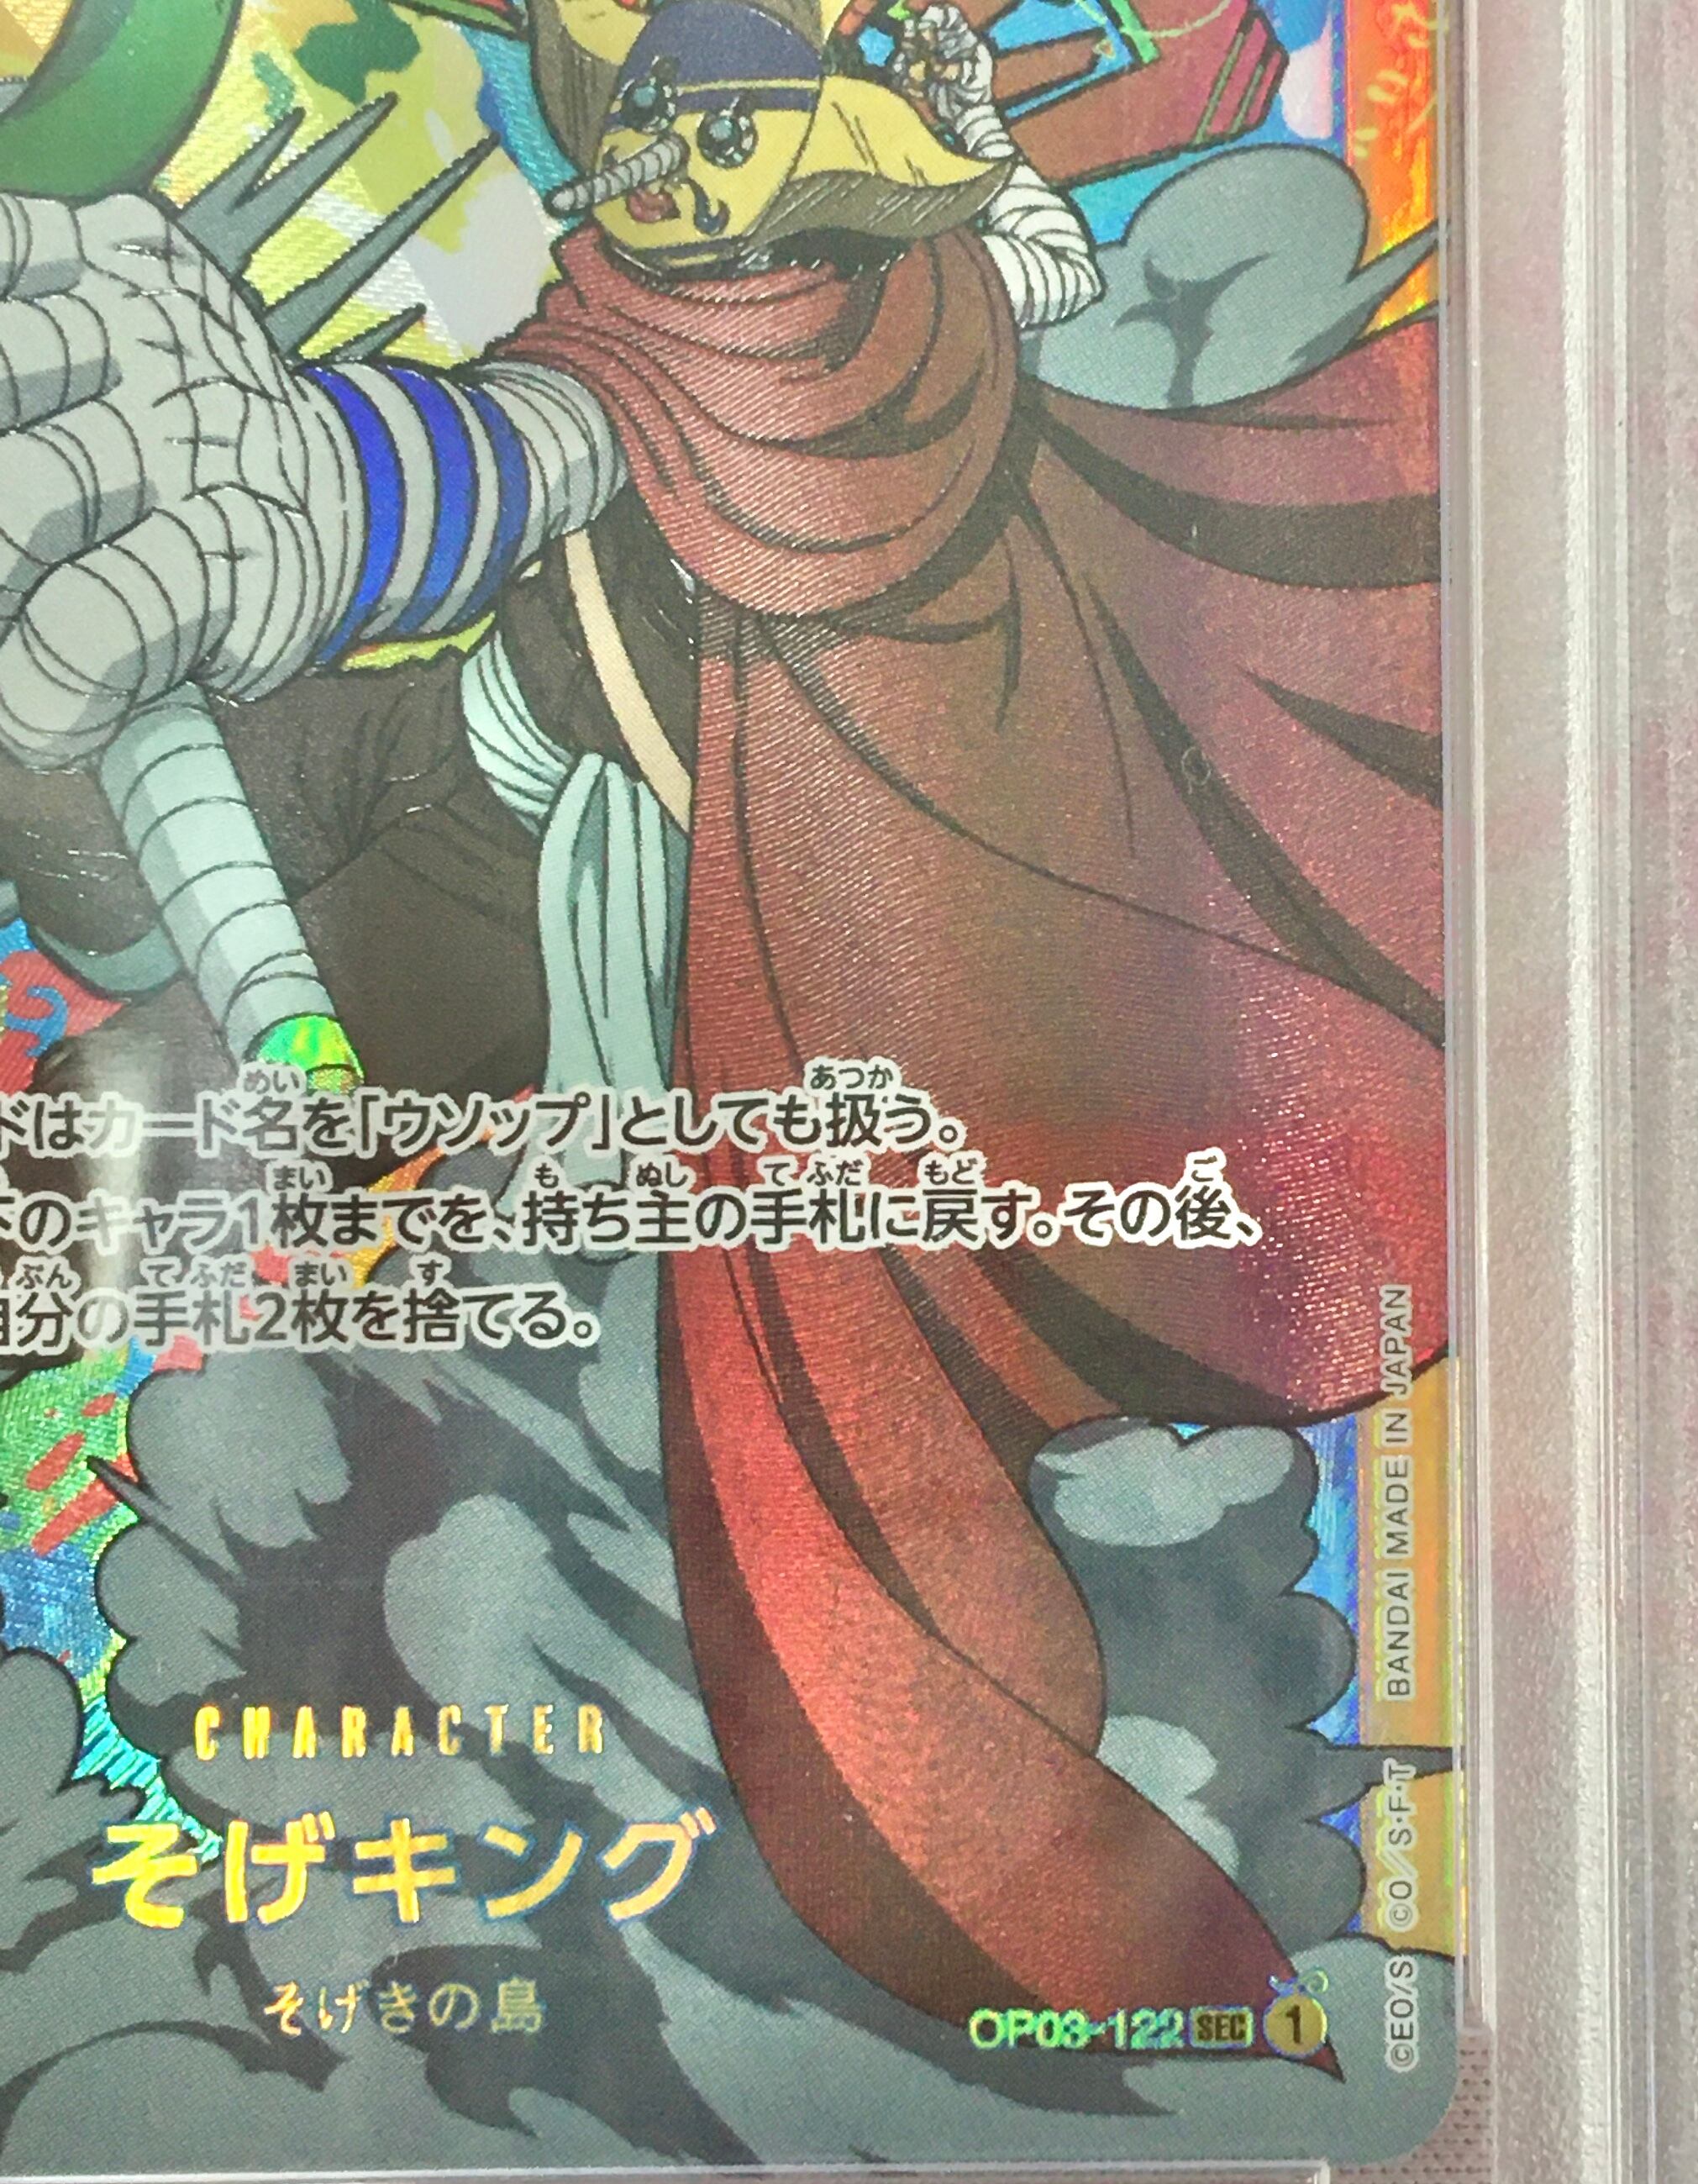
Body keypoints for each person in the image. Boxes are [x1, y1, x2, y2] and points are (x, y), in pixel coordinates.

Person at [0, 0, 1446, 2044]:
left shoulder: (861, 329)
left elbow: (546, 437)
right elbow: (554, 424)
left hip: (683, 901)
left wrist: (300, 484)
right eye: (651, 134)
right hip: (480, 775)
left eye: (724, 135)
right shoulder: (770, 283)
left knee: (179, 1084)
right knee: (122, 948)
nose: (667, 174)